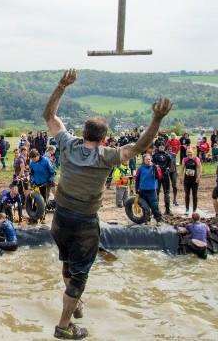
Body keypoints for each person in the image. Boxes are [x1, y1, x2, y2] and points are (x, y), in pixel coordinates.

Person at [44, 69, 172, 340]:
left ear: (82, 132)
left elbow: (50, 116)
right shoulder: (107, 156)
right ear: (104, 138)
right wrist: (157, 118)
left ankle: (74, 302)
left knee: (68, 265)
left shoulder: (67, 144)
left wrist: (62, 86)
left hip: (60, 218)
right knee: (79, 276)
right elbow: (139, 146)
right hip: (84, 222)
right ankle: (64, 326)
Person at [152, 143, 174, 215]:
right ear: (158, 147)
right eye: (160, 145)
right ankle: (155, 209)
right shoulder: (154, 155)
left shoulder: (168, 155)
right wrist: (156, 169)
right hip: (157, 176)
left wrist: (167, 169)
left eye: (163, 146)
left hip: (165, 176)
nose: (162, 147)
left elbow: (170, 165)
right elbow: (153, 164)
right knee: (156, 192)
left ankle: (167, 209)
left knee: (167, 193)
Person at [180, 147, 202, 215]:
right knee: (187, 194)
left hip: (194, 180)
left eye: (190, 152)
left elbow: (200, 168)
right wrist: (181, 177)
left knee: (194, 194)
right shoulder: (185, 159)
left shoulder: (196, 159)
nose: (189, 153)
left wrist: (198, 177)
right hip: (187, 180)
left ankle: (194, 209)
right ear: (186, 153)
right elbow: (182, 168)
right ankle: (187, 209)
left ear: (192, 153)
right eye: (188, 152)